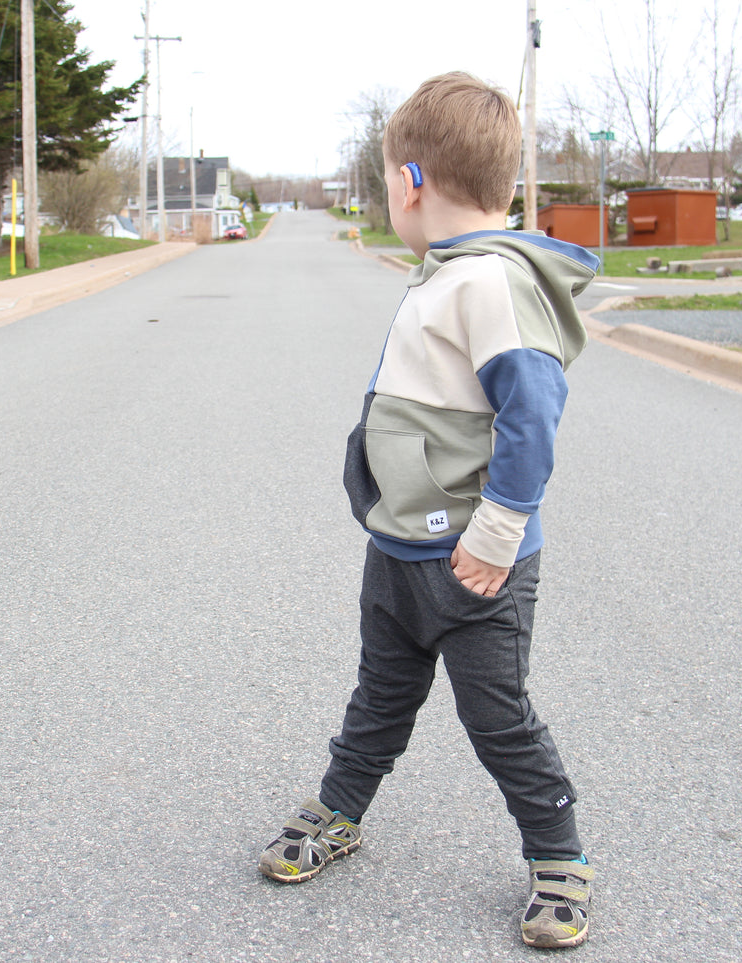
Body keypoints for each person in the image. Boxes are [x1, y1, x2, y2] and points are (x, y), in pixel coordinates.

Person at [257, 72, 599, 949]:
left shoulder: (489, 282)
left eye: (384, 183)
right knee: (380, 694)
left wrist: (494, 535)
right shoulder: (441, 274)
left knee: (497, 716)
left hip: (474, 563)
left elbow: (532, 414)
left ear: (407, 182)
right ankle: (341, 808)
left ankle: (558, 855)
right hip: (401, 549)